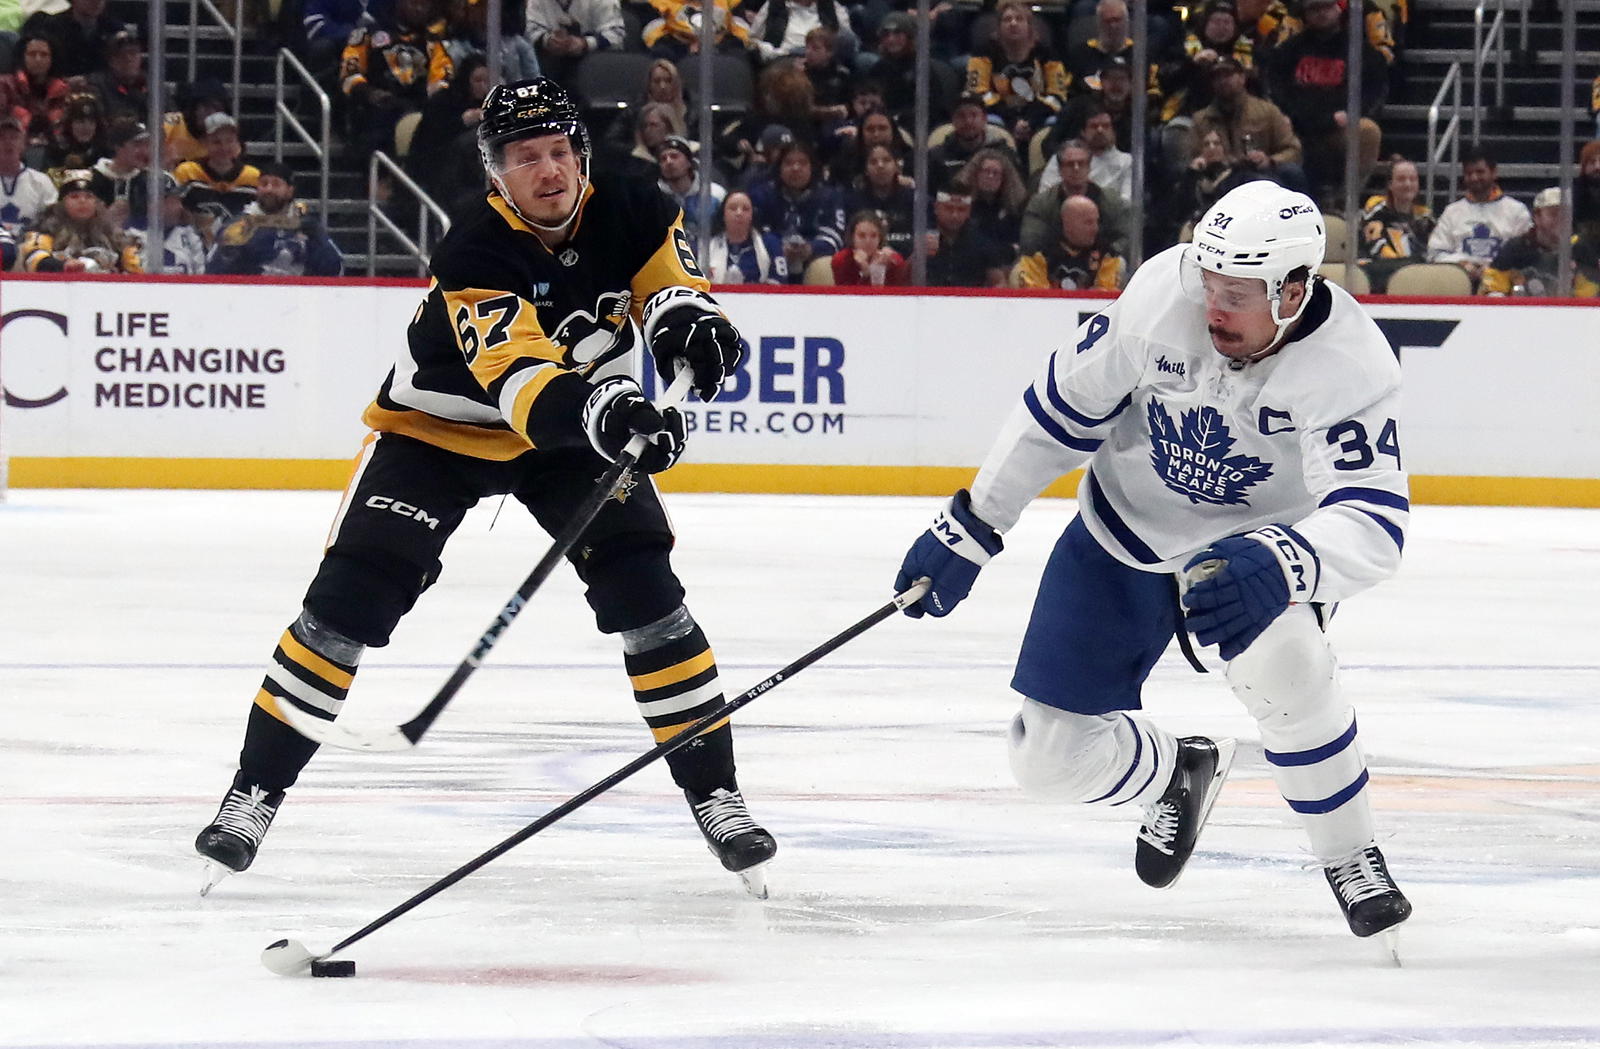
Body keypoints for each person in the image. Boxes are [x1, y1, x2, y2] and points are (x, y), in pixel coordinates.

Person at [193, 78, 775, 900]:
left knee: (649, 593)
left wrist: (691, 326)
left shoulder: (636, 205)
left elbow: (673, 289)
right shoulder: (473, 249)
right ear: (497, 173)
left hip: (572, 439)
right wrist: (614, 408)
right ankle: (254, 790)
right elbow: (523, 387)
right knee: (351, 599)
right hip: (441, 434)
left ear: (580, 151)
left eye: (557, 151)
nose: (547, 171)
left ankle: (716, 790)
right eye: (522, 157)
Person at [895, 179, 1413, 947]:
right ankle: (1174, 773)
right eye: (1210, 283)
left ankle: (1351, 855)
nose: (1213, 307)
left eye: (1237, 293)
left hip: (1249, 556)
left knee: (1291, 668)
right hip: (1123, 532)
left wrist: (1286, 562)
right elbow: (1055, 410)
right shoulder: (1158, 301)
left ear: (1295, 289)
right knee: (1045, 759)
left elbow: (1374, 522)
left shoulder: (1350, 366)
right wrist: (975, 520)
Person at [207, 163, 344, 277]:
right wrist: (234, 253)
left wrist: (318, 240)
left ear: (290, 191)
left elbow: (335, 269)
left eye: (276, 184)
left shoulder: (307, 225)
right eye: (264, 184)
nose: (269, 189)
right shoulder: (238, 225)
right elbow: (213, 270)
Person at [965, 0, 1069, 146]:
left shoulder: (1047, 55)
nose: (1013, 23)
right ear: (999, 27)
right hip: (999, 115)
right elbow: (978, 93)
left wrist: (1030, 121)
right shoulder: (983, 53)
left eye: (1019, 19)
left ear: (1030, 26)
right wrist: (1012, 120)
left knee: (1054, 122)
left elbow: (1057, 96)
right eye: (1007, 19)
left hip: (1038, 116)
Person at [1426, 148, 1530, 287]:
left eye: (1480, 172)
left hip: (1503, 287)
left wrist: (1493, 268)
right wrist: (1461, 264)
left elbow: (1526, 254)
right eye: (1469, 173)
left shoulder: (1516, 210)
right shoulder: (1452, 211)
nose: (1474, 177)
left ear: (1494, 173)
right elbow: (1435, 254)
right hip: (1458, 285)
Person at [1479, 187, 1600, 298]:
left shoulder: (1581, 249)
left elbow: (1588, 299)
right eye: (1553, 214)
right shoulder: (1515, 248)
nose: (1560, 220)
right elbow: (1492, 291)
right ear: (1537, 217)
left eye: (1565, 214)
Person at [21, 167, 141, 272]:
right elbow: (34, 259)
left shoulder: (113, 235)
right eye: (74, 197)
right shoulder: (46, 229)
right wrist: (63, 266)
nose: (82, 201)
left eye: (89, 197)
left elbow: (135, 267)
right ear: (61, 203)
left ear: (97, 203)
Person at [1014, 193, 1125, 289]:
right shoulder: (1038, 254)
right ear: (1067, 223)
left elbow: (1105, 297)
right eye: (1088, 222)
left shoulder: (1107, 254)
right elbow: (1036, 297)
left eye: (1096, 222)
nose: (1095, 228)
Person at [1357, 156, 1432, 293]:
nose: (1408, 184)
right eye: (1401, 179)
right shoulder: (1376, 210)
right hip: (1379, 278)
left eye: (1413, 179)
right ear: (1390, 184)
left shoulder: (1425, 217)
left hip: (1415, 279)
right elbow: (1376, 248)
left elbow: (1432, 252)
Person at [924, 181, 1010, 287]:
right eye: (948, 208)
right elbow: (901, 280)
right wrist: (917, 255)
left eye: (961, 209)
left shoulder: (982, 245)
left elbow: (999, 282)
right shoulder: (922, 240)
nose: (955, 215)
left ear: (969, 211)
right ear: (936, 208)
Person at [525, 0, 623, 84]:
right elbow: (528, 30)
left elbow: (616, 34)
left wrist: (585, 43)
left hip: (596, 65)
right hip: (550, 64)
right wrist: (547, 40)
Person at [705, 189, 787, 283]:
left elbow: (780, 282)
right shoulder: (706, 244)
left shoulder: (771, 244)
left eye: (745, 209)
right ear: (723, 214)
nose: (739, 213)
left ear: (752, 214)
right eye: (733, 208)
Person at [655, 135, 725, 243]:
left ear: (689, 162)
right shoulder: (655, 199)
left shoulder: (715, 194)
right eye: (663, 159)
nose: (668, 162)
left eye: (674, 156)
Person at [0, 112, 58, 235]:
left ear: (24, 144)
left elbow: (54, 220)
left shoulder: (41, 182)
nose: (8, 142)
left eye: (14, 137)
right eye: (1, 137)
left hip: (30, 247)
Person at [831, 208, 908, 285]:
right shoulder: (842, 260)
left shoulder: (893, 260)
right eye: (862, 236)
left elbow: (900, 293)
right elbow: (845, 295)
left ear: (880, 238)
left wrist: (888, 268)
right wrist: (866, 274)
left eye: (873, 236)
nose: (868, 242)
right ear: (852, 238)